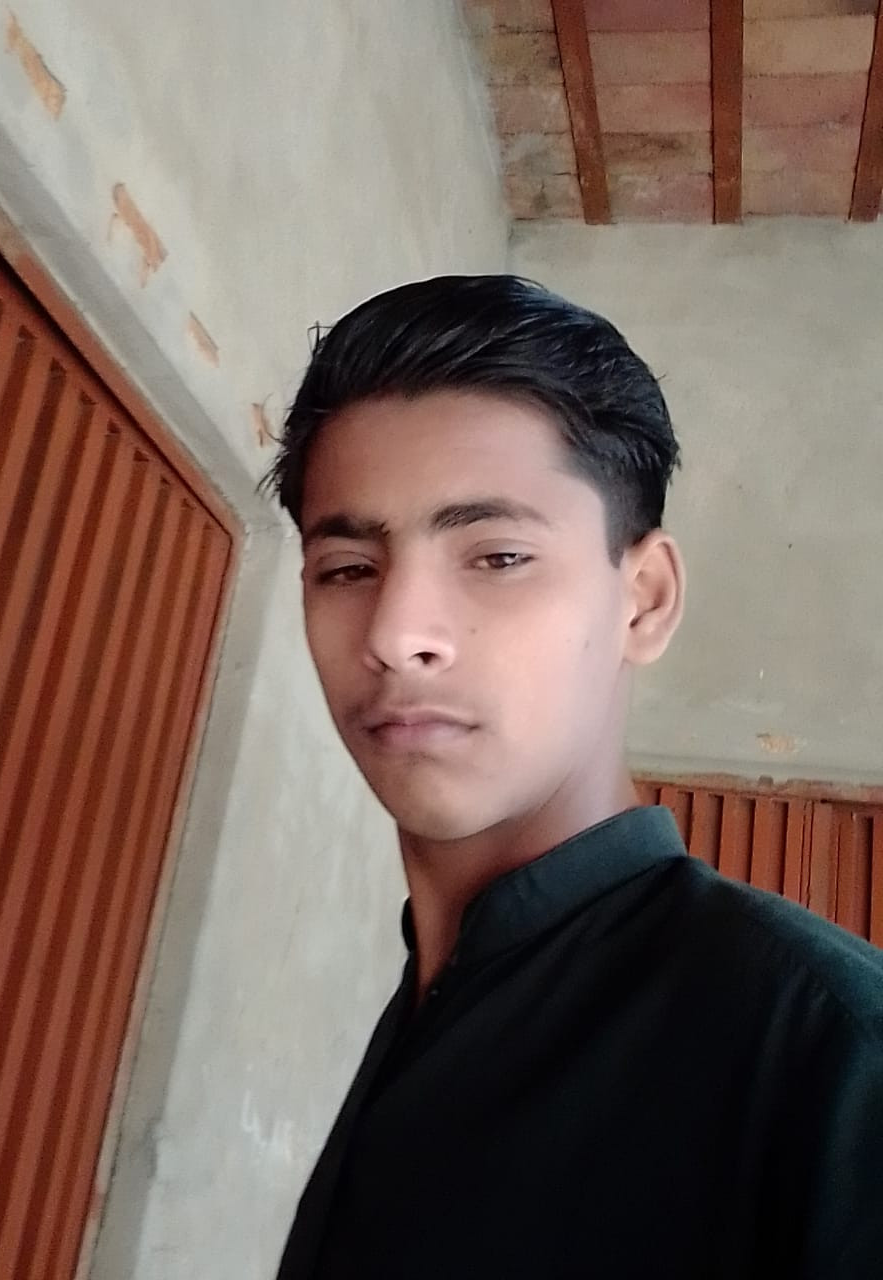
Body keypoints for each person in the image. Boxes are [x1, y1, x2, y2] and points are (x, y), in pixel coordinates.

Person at [264, 275, 883, 1279]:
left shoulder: (832, 1055)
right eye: (347, 569)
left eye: (497, 556)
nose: (396, 633)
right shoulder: (435, 990)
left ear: (644, 600)